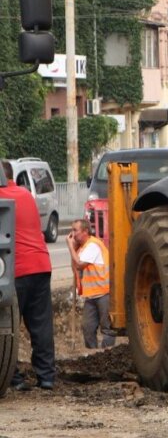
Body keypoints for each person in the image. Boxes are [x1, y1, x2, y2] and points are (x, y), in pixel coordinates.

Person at [0, 160, 55, 390]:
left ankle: (12, 377)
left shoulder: (2, 199)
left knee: (8, 327)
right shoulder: (25, 194)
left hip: (17, 270)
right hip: (41, 265)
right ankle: (47, 377)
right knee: (41, 325)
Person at [66, 219, 115, 349]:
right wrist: (74, 250)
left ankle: (107, 356)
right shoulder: (82, 248)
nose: (73, 234)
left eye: (75, 230)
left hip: (104, 293)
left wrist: (70, 247)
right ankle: (93, 354)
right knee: (87, 328)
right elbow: (75, 268)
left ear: (85, 231)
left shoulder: (93, 245)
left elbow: (81, 265)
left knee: (107, 328)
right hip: (91, 296)